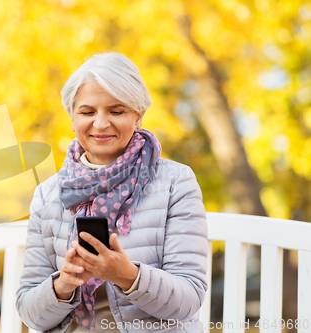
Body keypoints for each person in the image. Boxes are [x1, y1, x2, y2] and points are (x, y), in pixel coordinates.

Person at [16, 52, 208, 333]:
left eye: (116, 111)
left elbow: (188, 300)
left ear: (138, 115)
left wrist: (126, 275)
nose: (101, 123)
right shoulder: (48, 195)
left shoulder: (175, 182)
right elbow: (31, 314)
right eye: (87, 112)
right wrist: (64, 284)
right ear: (72, 117)